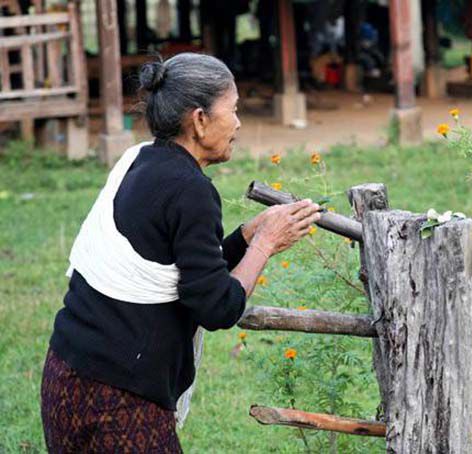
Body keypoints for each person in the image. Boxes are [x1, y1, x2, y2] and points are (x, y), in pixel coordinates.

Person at [40, 53, 321, 452]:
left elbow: (186, 271)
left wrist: (245, 234)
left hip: (66, 377)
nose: (238, 124)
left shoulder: (138, 160)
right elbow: (217, 306)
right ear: (200, 119)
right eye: (233, 110)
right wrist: (265, 244)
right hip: (119, 401)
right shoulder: (191, 190)